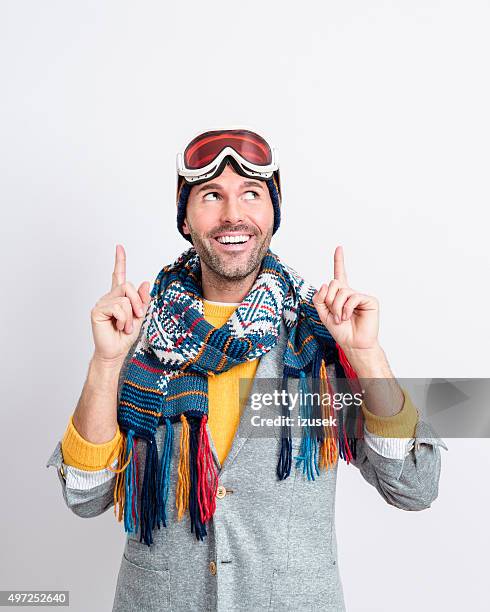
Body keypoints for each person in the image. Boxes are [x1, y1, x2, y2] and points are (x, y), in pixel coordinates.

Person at [46, 127, 448, 612]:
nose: (232, 214)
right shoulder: (140, 331)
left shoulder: (319, 339)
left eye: (251, 194)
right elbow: (85, 497)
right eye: (211, 195)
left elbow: (413, 486)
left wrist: (366, 355)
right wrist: (107, 361)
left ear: (273, 212)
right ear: (186, 218)